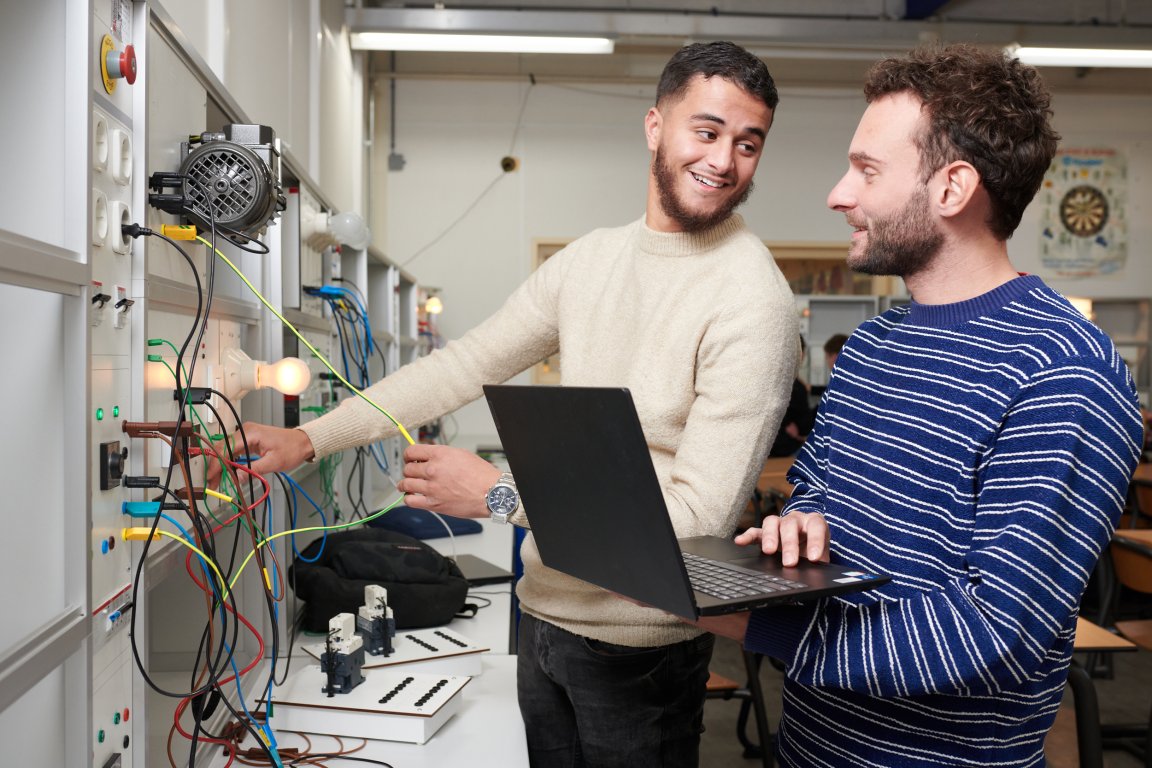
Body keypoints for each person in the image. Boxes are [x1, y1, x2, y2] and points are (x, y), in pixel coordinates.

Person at [238, 41, 799, 767]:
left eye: (748, 143)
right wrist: (309, 440)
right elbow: (463, 365)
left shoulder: (752, 301)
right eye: (708, 130)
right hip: (541, 617)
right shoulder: (591, 260)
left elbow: (696, 520)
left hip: (641, 646)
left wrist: (500, 496)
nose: (724, 159)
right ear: (655, 125)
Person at [699, 44, 1144, 767]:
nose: (839, 194)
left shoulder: (1064, 371)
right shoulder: (875, 344)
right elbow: (813, 487)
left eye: (867, 170)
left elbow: (996, 633)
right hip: (809, 749)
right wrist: (802, 523)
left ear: (951, 188)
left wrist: (752, 623)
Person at [768, 336, 813, 457]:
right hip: (788, 449)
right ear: (800, 353)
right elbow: (803, 427)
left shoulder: (771, 380)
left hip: (767, 449)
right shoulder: (797, 387)